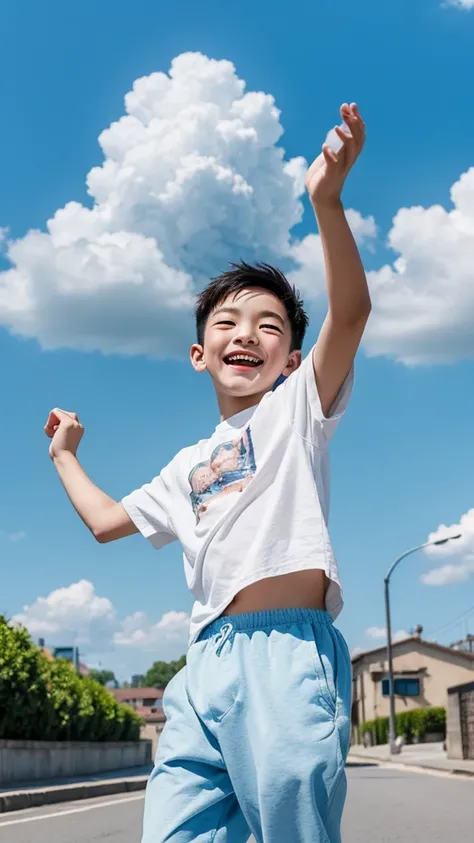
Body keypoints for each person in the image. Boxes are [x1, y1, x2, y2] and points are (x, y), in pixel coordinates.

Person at [44, 102, 369, 843]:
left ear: (291, 357)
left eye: (268, 325)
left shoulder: (297, 410)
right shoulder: (185, 464)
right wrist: (65, 455)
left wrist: (326, 201)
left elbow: (351, 313)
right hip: (202, 666)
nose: (245, 332)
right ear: (199, 354)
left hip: (286, 651)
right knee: (175, 832)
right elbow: (104, 523)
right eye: (225, 322)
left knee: (293, 815)